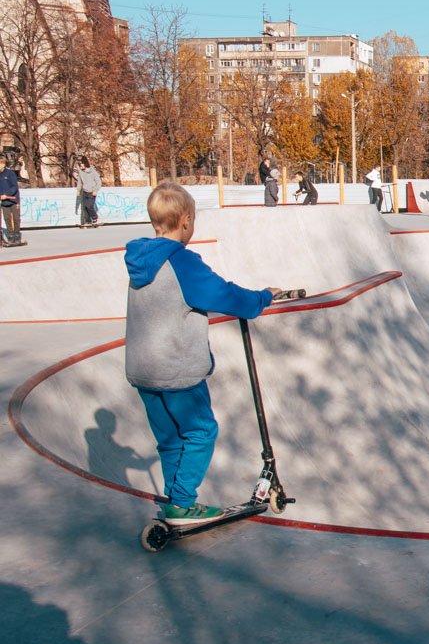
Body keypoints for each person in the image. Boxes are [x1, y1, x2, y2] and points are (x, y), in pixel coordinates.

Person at [125, 182, 280, 525]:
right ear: (185, 220)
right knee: (200, 431)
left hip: (142, 369)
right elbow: (223, 295)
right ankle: (181, 502)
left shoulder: (141, 260)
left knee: (169, 438)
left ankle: (173, 499)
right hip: (176, 370)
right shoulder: (181, 261)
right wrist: (262, 298)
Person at [0, 156, 24, 247]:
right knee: (7, 219)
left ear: (3, 164)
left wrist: (6, 194)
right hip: (4, 202)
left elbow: (14, 186)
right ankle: (10, 237)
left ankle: (17, 237)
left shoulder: (10, 174)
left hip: (13, 200)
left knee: (16, 219)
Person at [76, 156, 102, 228]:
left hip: (92, 192)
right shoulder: (81, 172)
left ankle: (94, 217)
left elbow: (98, 181)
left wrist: (96, 190)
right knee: (84, 207)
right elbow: (80, 182)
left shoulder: (93, 171)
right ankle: (88, 221)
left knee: (89, 206)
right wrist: (78, 190)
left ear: (85, 164)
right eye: (79, 165)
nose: (80, 166)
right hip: (85, 192)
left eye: (81, 164)